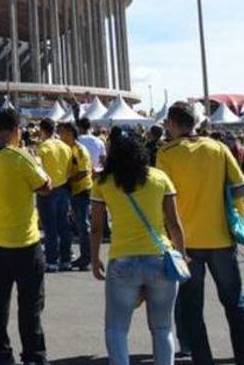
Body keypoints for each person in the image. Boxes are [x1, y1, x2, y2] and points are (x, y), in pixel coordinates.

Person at [156, 101, 244, 365]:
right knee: (235, 304)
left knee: (192, 309)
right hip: (221, 238)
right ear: (195, 122)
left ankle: (203, 360)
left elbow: (162, 199)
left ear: (171, 124)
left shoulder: (167, 154)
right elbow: (239, 187)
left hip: (185, 244)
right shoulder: (217, 148)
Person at [89, 129, 186, 365]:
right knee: (163, 329)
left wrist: (94, 258)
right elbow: (174, 223)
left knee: (117, 329)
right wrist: (181, 255)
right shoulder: (159, 178)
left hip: (123, 260)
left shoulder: (103, 182)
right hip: (160, 259)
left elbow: (96, 228)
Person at [0, 107, 52, 365]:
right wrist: (35, 160)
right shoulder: (19, 157)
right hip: (24, 241)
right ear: (16, 130)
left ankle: (1, 354)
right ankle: (34, 355)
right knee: (30, 305)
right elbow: (46, 187)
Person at [35, 117, 74, 272]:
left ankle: (51, 260)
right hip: (63, 188)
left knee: (49, 227)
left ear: (42, 130)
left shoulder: (42, 147)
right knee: (64, 225)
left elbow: (38, 169)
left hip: (47, 189)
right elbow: (70, 169)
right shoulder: (65, 147)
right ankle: (66, 259)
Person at [58, 122, 93, 271]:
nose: (60, 136)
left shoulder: (79, 149)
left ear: (71, 134)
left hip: (81, 190)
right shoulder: (67, 148)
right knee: (78, 225)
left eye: (63, 132)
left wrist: (68, 181)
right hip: (74, 191)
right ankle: (84, 257)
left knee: (83, 225)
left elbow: (84, 171)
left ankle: (87, 258)